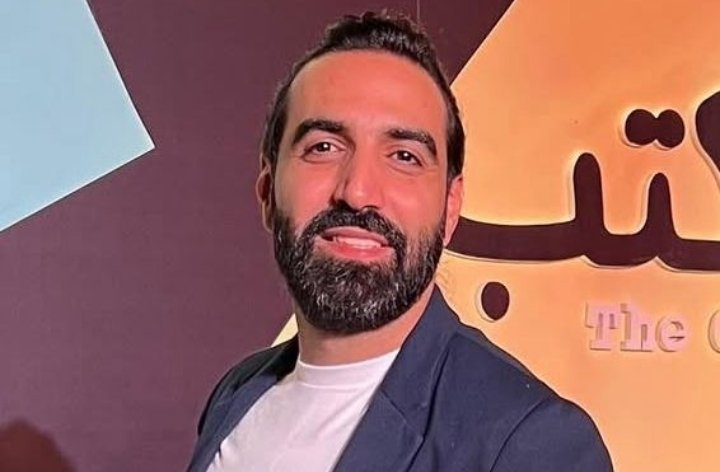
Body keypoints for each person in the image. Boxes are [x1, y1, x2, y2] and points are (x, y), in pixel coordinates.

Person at [187, 11, 613, 472]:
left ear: (451, 209)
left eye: (405, 156)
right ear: (268, 191)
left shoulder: (530, 442)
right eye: (324, 147)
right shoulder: (237, 393)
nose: (358, 191)